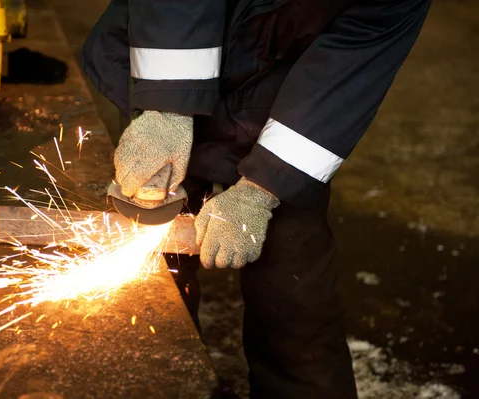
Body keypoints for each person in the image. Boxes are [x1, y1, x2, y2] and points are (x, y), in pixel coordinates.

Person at [81, 0, 431, 397]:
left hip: (288, 108)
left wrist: (263, 190)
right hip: (169, 57)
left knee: (294, 294)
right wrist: (165, 108)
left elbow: (345, 74)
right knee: (150, 292)